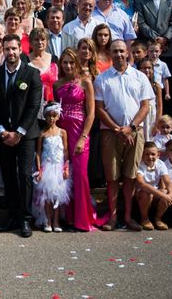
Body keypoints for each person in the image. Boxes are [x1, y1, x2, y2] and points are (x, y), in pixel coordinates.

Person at [94, 40, 155, 231]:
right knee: (112, 178)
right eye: (115, 51)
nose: (119, 54)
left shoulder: (140, 77)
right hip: (111, 134)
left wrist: (130, 127)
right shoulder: (102, 79)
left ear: (127, 52)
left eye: (121, 51)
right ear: (110, 54)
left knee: (129, 177)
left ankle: (128, 217)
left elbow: (145, 106)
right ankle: (113, 218)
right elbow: (100, 109)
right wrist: (117, 129)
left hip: (134, 133)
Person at [0, 34, 43, 238]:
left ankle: (25, 218)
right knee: (8, 176)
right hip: (3, 134)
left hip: (25, 136)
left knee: (24, 175)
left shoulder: (31, 73)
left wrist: (19, 132)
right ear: (2, 50)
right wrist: (1, 130)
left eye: (14, 48)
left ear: (20, 50)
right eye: (7, 49)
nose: (10, 52)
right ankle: (11, 215)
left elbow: (33, 106)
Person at [53, 48, 100, 231]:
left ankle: (83, 219)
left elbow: (91, 114)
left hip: (80, 130)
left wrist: (83, 138)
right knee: (65, 174)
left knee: (80, 175)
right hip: (62, 131)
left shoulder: (86, 82)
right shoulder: (57, 85)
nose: (68, 66)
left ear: (77, 63)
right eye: (65, 62)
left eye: (71, 62)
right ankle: (68, 218)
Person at [32, 102, 71, 232]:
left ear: (58, 116)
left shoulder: (62, 132)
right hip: (47, 167)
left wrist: (66, 167)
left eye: (54, 116)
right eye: (48, 116)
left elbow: (65, 151)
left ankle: (56, 221)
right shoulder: (42, 133)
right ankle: (48, 220)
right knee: (47, 195)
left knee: (58, 194)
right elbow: (38, 152)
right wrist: (39, 169)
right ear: (45, 117)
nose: (51, 119)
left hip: (58, 167)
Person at [135, 141, 172, 231]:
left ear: (158, 155)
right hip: (141, 193)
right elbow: (141, 184)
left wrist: (171, 194)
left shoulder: (160, 163)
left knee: (166, 191)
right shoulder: (139, 165)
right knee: (147, 193)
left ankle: (158, 218)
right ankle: (144, 218)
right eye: (147, 154)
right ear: (142, 155)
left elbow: (167, 181)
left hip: (156, 192)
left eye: (153, 154)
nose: (150, 157)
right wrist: (163, 195)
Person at [136, 58, 162, 143]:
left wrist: (157, 124)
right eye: (144, 68)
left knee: (150, 140)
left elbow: (159, 106)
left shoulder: (156, 86)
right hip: (140, 114)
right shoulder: (135, 84)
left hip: (151, 116)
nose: (147, 70)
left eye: (149, 68)